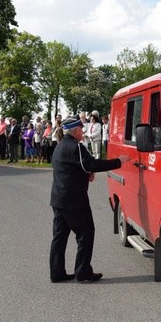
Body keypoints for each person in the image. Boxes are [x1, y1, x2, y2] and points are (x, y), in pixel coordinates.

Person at [49, 117, 130, 282]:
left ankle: (56, 273)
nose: (83, 132)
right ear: (76, 130)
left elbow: (72, 168)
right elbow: (92, 164)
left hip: (58, 199)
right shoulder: (76, 147)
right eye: (81, 128)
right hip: (74, 200)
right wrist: (118, 162)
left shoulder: (60, 146)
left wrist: (85, 173)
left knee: (59, 236)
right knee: (86, 233)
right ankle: (83, 272)